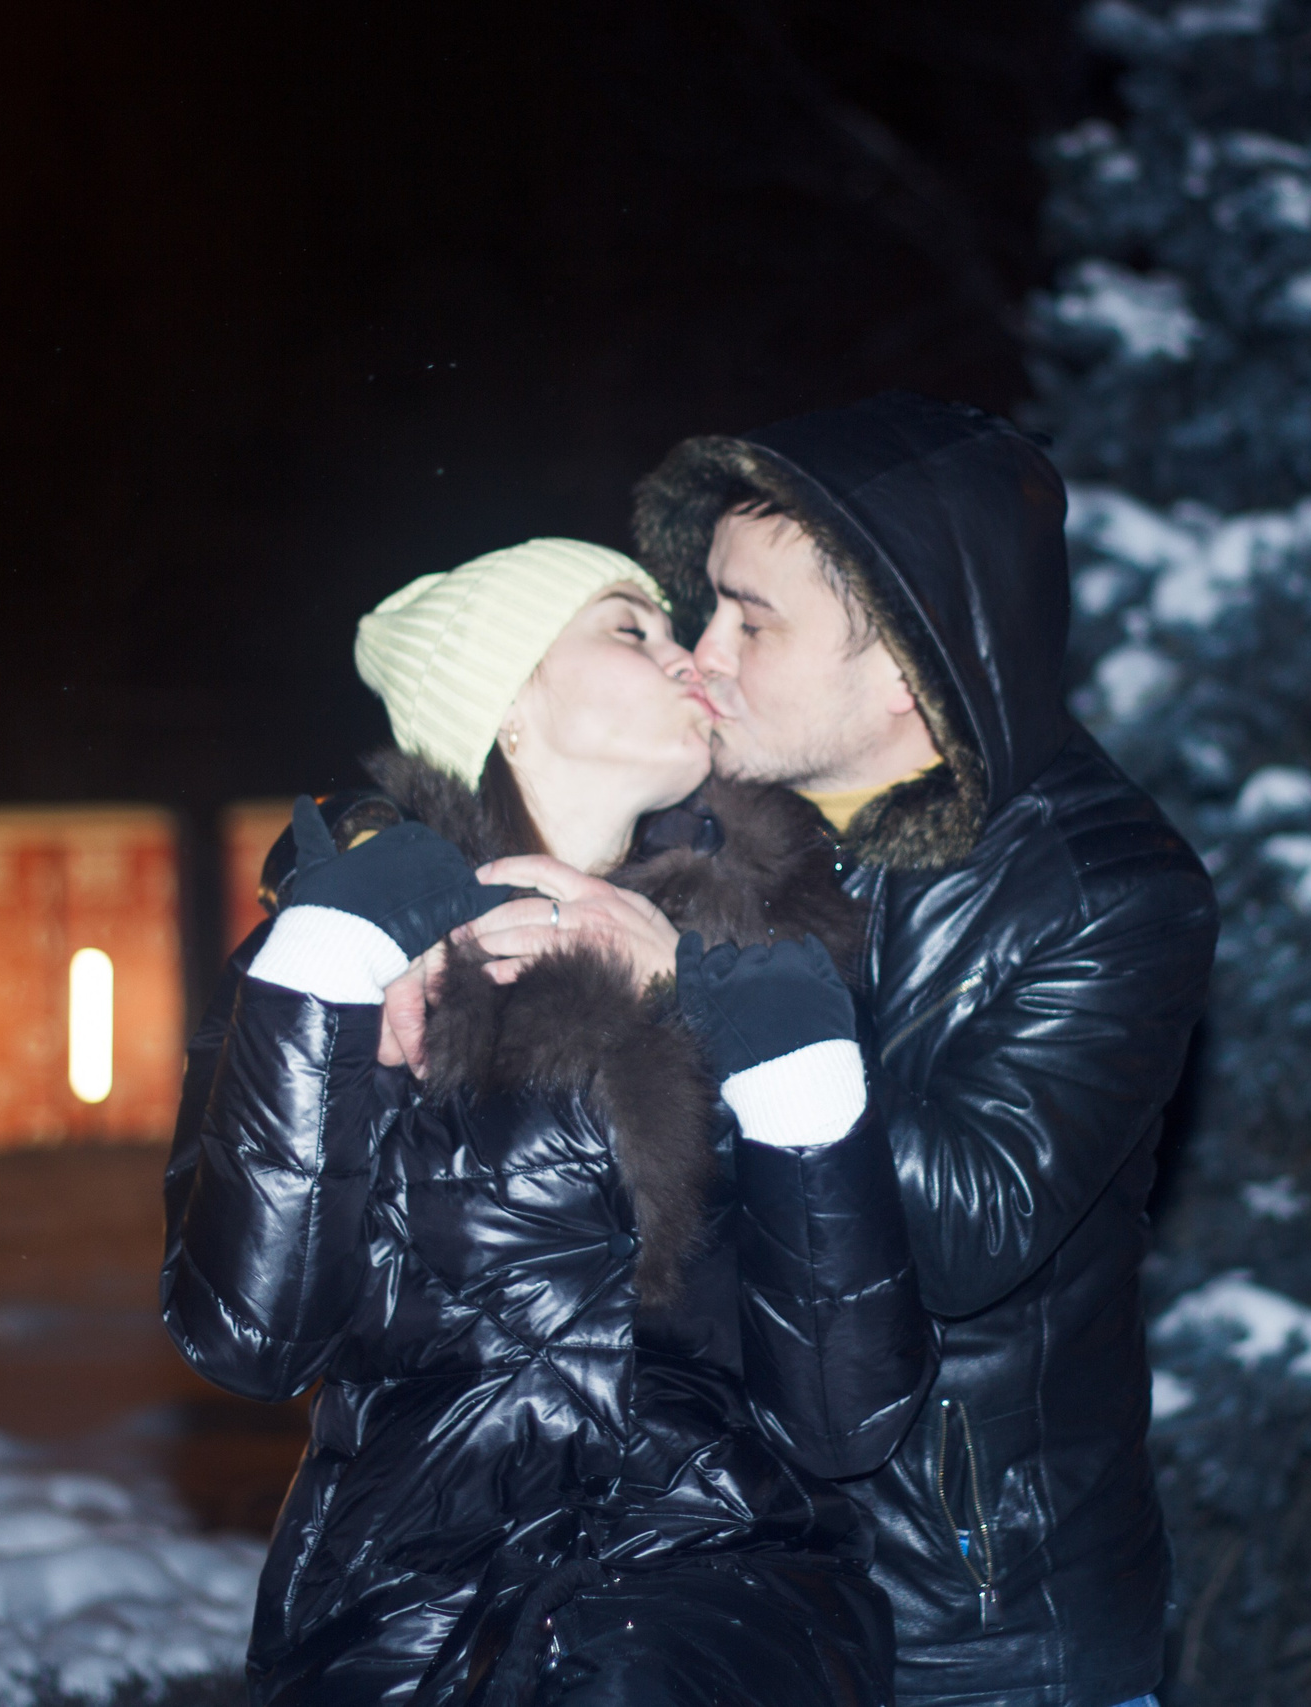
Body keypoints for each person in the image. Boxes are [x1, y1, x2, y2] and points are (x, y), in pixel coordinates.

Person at [461, 398, 1219, 1707]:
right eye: (705, 607)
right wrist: (386, 865)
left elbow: (976, 1228)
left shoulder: (1109, 889)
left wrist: (713, 989)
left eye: (753, 619)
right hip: (721, 1585)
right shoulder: (719, 814)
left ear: (913, 661)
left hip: (967, 1623)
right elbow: (507, 774)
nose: (705, 651)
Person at [160, 537, 935, 1707]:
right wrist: (328, 971)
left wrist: (786, 1055)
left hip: (711, 1616)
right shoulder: (335, 955)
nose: (692, 659)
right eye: (634, 629)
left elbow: (849, 1414)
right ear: (507, 703)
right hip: (400, 1626)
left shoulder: (781, 954)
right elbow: (247, 1336)